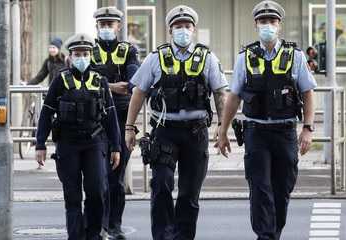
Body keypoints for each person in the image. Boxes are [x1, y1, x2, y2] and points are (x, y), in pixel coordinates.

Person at [125, 5, 228, 240]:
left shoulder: (207, 57)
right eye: (178, 26)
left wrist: (223, 127)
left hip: (196, 133)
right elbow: (138, 93)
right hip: (165, 132)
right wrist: (129, 128)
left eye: (187, 26)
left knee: (189, 195)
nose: (183, 30)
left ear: (193, 29)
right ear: (170, 30)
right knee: (161, 187)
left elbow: (220, 93)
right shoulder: (156, 58)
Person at [217, 1, 317, 239]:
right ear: (256, 25)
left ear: (279, 25)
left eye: (272, 22)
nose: (268, 26)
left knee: (282, 191)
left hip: (285, 133)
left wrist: (308, 129)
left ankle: (273, 234)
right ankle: (266, 236)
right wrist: (223, 130)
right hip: (256, 133)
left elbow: (307, 92)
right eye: (263, 22)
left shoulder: (295, 55)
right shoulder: (246, 56)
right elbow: (234, 96)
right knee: (260, 190)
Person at [35, 33, 121, 240]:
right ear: (70, 57)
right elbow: (46, 113)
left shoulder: (100, 81)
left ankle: (94, 235)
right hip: (68, 144)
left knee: (97, 191)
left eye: (85, 54)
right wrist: (40, 144)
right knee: (72, 196)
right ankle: (75, 236)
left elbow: (111, 117)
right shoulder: (60, 80)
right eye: (77, 54)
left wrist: (116, 146)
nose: (81, 58)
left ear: (90, 55)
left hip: (95, 143)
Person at [92, 6, 140, 239]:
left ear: (118, 27)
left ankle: (114, 226)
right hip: (95, 122)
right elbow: (81, 83)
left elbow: (131, 84)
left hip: (121, 121)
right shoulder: (87, 52)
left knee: (116, 179)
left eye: (110, 24)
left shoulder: (129, 50)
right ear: (97, 27)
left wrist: (100, 84)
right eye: (103, 24)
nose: (106, 28)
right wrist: (112, 86)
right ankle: (98, 226)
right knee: (97, 178)